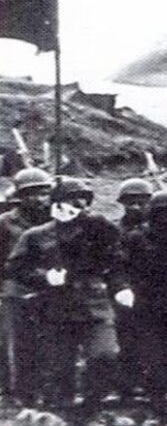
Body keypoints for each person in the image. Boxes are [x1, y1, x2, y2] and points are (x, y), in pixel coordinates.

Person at [6, 177, 133, 417]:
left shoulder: (100, 230)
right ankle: (64, 411)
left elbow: (116, 263)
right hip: (55, 309)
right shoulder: (36, 235)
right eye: (72, 200)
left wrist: (121, 287)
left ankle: (92, 404)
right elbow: (15, 268)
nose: (78, 206)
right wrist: (44, 277)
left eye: (83, 201)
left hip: (95, 305)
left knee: (104, 355)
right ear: (57, 203)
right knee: (60, 367)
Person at [119, 190, 167, 416]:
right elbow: (123, 267)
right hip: (149, 302)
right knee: (157, 353)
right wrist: (127, 289)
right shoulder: (137, 238)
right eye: (164, 213)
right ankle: (157, 396)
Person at [0, 168, 52, 407]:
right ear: (20, 196)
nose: (39, 199)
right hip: (16, 288)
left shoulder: (55, 219)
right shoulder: (5, 222)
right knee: (19, 342)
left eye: (43, 193)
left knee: (50, 342)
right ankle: (21, 393)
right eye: (32, 194)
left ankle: (48, 390)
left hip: (50, 286)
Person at [113, 177, 154, 404]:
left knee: (153, 340)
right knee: (126, 339)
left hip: (154, 291)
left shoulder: (161, 228)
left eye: (141, 202)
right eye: (130, 202)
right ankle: (127, 386)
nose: (136, 207)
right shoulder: (115, 230)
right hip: (125, 290)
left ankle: (151, 385)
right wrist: (122, 287)